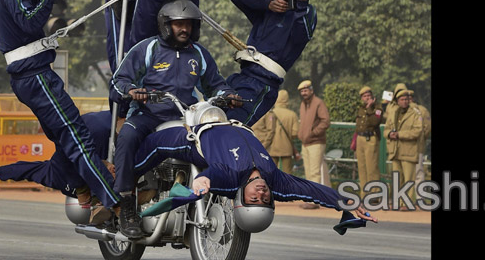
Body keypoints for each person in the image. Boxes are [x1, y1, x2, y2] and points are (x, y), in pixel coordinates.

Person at [0, 0, 121, 211]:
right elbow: (30, 21)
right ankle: (114, 202)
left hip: (29, 78)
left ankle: (82, 189)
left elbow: (26, 23)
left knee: (66, 141)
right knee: (78, 138)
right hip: (36, 77)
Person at [109, 0, 242, 237]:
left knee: (215, 140)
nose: (184, 29)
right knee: (127, 136)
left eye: (189, 24)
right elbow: (119, 81)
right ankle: (126, 204)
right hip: (147, 115)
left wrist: (228, 95)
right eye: (178, 24)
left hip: (186, 118)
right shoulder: (146, 48)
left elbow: (215, 85)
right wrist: (132, 91)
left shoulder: (199, 54)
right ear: (165, 25)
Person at [130, 117, 376, 235]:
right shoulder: (276, 181)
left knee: (146, 148)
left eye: (253, 200)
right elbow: (311, 190)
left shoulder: (231, 179)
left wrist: (202, 181)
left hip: (193, 137)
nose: (261, 194)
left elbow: (213, 175)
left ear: (241, 198)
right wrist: (348, 203)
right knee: (269, 78)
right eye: (265, 200)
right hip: (234, 117)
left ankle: (119, 193)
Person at [224, 0, 318, 126]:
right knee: (209, 117)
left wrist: (302, 1)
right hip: (240, 77)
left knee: (231, 126)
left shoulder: (306, 12)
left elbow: (300, 36)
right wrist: (268, 4)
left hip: (263, 85)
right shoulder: (265, 11)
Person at [386, 87, 425, 208]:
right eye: (401, 99)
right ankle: (398, 202)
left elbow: (417, 131)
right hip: (395, 150)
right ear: (397, 101)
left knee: (409, 178)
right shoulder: (393, 113)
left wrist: (400, 135)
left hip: (409, 150)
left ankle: (407, 203)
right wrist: (389, 134)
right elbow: (386, 128)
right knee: (397, 178)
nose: (404, 101)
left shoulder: (415, 113)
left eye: (406, 99)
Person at [250, 89, 301, 174]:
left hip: (272, 147)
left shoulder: (269, 112)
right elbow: (295, 133)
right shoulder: (292, 114)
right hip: (287, 148)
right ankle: (286, 187)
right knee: (287, 173)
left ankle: (274, 187)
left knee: (272, 172)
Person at [297, 79, 331, 207]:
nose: (304, 93)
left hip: (316, 142)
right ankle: (328, 197)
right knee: (309, 172)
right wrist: (302, 134)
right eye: (302, 91)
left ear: (311, 90)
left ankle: (313, 201)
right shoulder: (302, 104)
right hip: (305, 143)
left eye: (306, 90)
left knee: (314, 172)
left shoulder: (318, 103)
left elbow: (325, 121)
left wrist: (313, 132)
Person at [354, 86, 384, 200]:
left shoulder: (377, 108)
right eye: (364, 96)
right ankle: (364, 194)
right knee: (362, 168)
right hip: (360, 138)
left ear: (372, 96)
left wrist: (370, 108)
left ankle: (374, 195)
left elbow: (375, 121)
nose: (367, 98)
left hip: (371, 138)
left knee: (372, 168)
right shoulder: (361, 108)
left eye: (368, 96)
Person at [407, 89, 431, 191]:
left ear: (413, 98)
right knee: (404, 173)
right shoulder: (400, 110)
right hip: (404, 147)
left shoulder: (422, 110)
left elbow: (428, 126)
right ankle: (404, 199)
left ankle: (420, 198)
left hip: (417, 146)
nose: (408, 100)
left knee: (418, 171)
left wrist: (421, 138)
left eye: (409, 98)